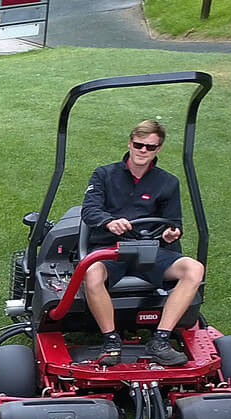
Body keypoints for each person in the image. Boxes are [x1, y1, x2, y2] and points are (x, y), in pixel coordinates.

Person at [79, 118, 204, 368]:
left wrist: (171, 233)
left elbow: (173, 222)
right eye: (139, 145)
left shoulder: (167, 182)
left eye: (150, 147)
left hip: (150, 251)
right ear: (130, 143)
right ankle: (111, 341)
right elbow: (90, 211)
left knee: (195, 269)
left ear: (158, 149)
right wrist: (109, 222)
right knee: (91, 273)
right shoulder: (104, 174)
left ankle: (160, 340)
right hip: (111, 249)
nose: (143, 151)